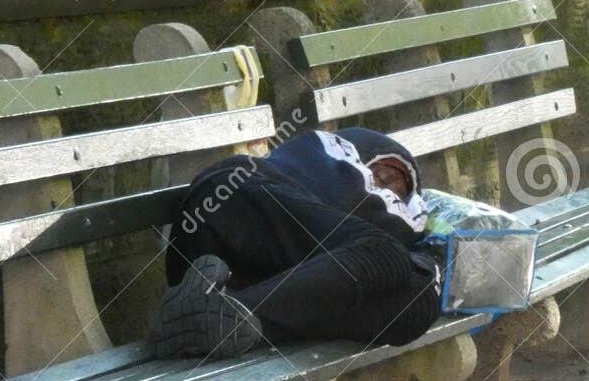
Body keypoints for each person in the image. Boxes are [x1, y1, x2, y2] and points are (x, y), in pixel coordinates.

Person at [147, 127, 442, 359]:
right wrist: (415, 226)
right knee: (386, 254)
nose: (386, 191)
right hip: (230, 203)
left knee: (418, 298)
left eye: (399, 195)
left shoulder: (336, 232)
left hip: (258, 278)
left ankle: (223, 319)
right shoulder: (324, 151)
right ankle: (233, 317)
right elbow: (357, 202)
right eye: (385, 174)